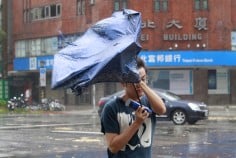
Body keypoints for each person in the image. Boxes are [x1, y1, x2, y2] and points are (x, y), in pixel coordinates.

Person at [101, 57, 166, 158]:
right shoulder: (111, 107)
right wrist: (137, 123)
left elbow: (161, 110)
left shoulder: (149, 101)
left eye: (143, 79)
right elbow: (113, 147)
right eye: (134, 80)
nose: (139, 84)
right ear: (123, 83)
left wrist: (140, 82)